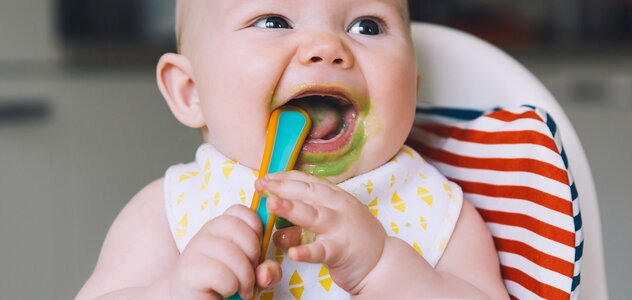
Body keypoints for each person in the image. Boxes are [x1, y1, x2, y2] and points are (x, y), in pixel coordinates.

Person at [77, 0, 509, 299]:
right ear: (191, 92)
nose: (327, 48)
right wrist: (171, 292)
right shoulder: (169, 211)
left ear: (412, 90)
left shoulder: (437, 211)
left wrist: (382, 268)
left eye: (367, 26)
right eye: (273, 21)